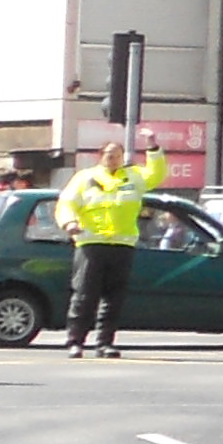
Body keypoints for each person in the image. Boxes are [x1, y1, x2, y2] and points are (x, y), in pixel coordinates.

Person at [55, 138, 165, 358]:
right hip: (91, 244)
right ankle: (75, 342)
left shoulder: (134, 176)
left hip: (122, 245)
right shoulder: (85, 178)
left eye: (117, 154)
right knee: (84, 295)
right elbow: (66, 202)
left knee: (114, 298)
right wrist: (69, 222)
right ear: (101, 155)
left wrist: (153, 148)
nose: (113, 158)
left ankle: (105, 343)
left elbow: (157, 173)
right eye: (109, 154)